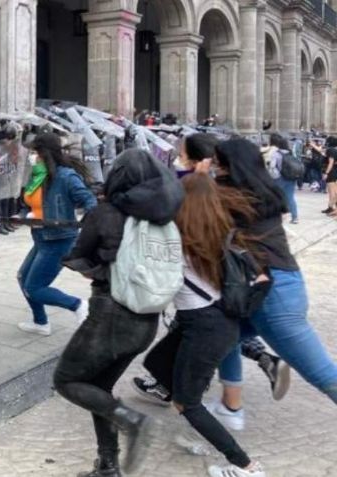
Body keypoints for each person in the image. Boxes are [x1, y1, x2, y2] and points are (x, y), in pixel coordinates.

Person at [54, 149, 184, 477]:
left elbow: (78, 256)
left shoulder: (106, 212)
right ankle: (107, 466)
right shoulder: (166, 215)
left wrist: (91, 269)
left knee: (67, 380)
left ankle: (132, 421)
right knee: (98, 388)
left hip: (109, 315)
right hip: (147, 318)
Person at [135, 135, 292, 404]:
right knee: (208, 331)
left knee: (195, 331)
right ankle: (230, 395)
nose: (178, 156)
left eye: (182, 153)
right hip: (220, 274)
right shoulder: (212, 183)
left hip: (208, 274)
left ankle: (178, 389)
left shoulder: (201, 184)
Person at [145, 173, 267, 477]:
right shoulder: (218, 230)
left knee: (187, 401)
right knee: (158, 364)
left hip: (206, 326)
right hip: (210, 321)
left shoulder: (179, 237)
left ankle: (245, 466)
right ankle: (198, 431)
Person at [213, 139, 337, 431]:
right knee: (223, 336)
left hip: (271, 295)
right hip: (284, 282)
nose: (214, 167)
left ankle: (231, 407)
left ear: (231, 165)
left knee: (321, 373)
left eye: (218, 162)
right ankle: (231, 407)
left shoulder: (230, 196)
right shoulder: (264, 190)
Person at [16, 133, 97, 336]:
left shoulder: (65, 177)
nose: (31, 156)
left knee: (34, 287)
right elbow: (32, 204)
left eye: (34, 152)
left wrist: (87, 223)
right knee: (23, 277)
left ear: (44, 153)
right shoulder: (38, 175)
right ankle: (41, 323)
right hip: (41, 238)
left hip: (59, 241)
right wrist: (24, 215)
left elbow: (89, 201)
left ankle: (78, 305)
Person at [263, 133, 298, 224]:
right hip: (291, 177)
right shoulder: (290, 152)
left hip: (280, 178)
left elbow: (272, 167)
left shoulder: (276, 154)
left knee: (275, 196)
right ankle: (295, 217)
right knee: (290, 197)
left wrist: (275, 176)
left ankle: (275, 216)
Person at [318, 136, 337, 216]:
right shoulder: (334, 150)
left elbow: (331, 163)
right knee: (331, 191)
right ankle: (330, 208)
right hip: (333, 172)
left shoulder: (330, 150)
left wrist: (326, 173)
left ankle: (332, 208)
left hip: (331, 173)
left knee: (332, 192)